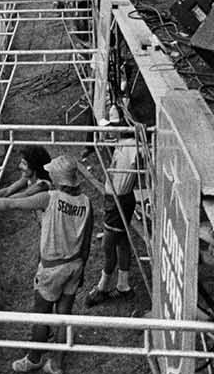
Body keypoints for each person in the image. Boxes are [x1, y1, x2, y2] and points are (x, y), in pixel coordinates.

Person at [0, 155, 91, 374]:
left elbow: (9, 203)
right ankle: (57, 364)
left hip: (52, 267)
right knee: (64, 317)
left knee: (40, 315)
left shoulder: (49, 198)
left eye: (52, 171)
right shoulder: (86, 202)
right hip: (75, 264)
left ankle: (34, 358)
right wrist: (82, 270)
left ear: (59, 177)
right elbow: (87, 240)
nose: (48, 172)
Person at [86, 108, 137, 307]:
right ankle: (123, 285)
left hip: (119, 199)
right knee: (121, 241)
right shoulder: (122, 144)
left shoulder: (133, 145)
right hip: (117, 198)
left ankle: (103, 287)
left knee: (108, 244)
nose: (109, 132)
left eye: (113, 128)